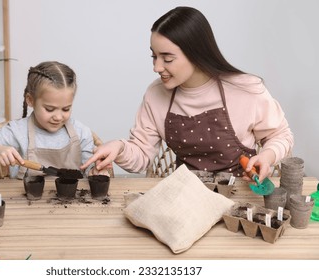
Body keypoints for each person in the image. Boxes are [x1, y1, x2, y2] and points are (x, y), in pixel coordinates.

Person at [81, 6, 293, 182]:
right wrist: (118, 147)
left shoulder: (245, 89)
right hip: (186, 197)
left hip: (240, 194)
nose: (157, 67)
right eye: (154, 56)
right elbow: (142, 156)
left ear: (195, 53)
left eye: (167, 58)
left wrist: (267, 155)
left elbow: (281, 135)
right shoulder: (156, 94)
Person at [0, 61, 107, 179]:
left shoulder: (81, 132)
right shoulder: (16, 131)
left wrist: (95, 171)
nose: (58, 117)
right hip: (26, 205)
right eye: (50, 109)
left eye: (66, 109)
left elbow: (89, 168)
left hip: (71, 207)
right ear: (30, 100)